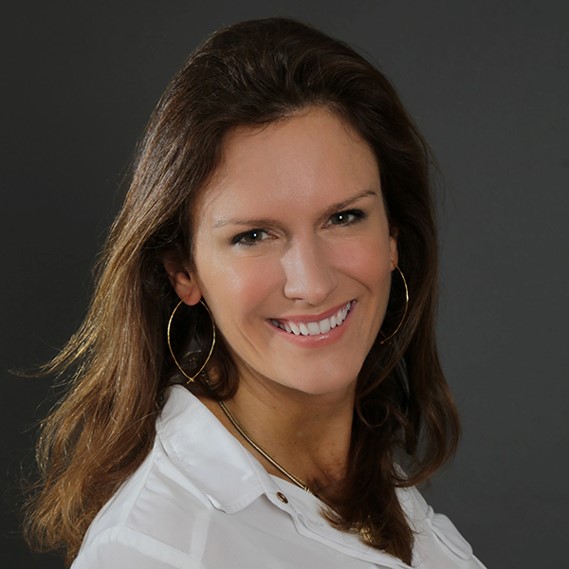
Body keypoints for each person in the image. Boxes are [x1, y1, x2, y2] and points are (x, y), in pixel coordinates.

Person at [24, 17, 487, 569]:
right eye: (253, 236)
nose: (311, 283)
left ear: (393, 237)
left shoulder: (372, 490)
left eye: (343, 217)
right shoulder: (156, 550)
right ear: (183, 272)